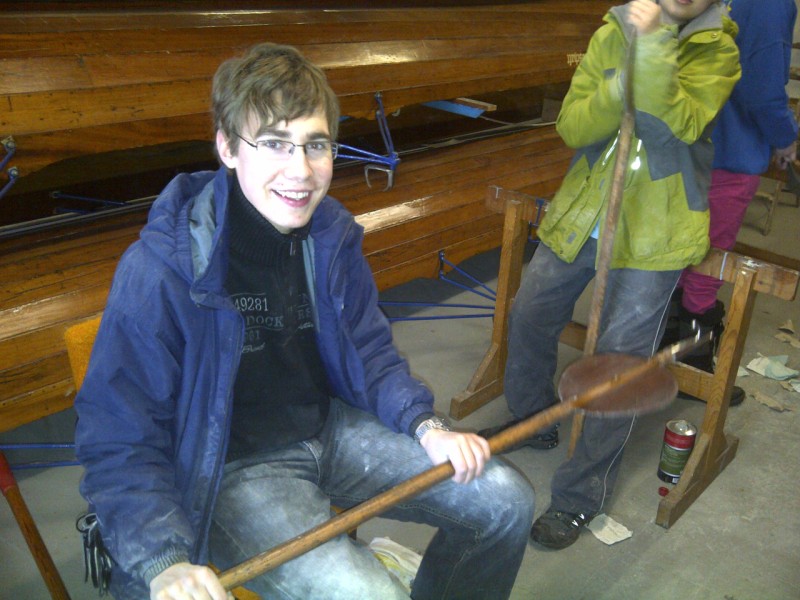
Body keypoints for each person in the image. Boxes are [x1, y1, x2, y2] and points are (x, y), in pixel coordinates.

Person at [74, 43, 534, 600]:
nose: (301, 171)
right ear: (227, 148)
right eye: (274, 143)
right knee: (369, 595)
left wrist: (425, 426)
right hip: (235, 469)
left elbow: (367, 350)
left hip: (331, 429)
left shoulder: (330, 235)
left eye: (316, 145)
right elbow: (119, 433)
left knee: (507, 503)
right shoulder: (161, 270)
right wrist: (162, 558)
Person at [479, 0, 740, 550]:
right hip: (585, 212)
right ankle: (533, 419)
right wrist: (623, 81)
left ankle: (581, 494)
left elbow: (675, 128)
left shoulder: (717, 48)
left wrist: (653, 44)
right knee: (530, 313)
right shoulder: (612, 30)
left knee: (619, 366)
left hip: (657, 230)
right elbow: (575, 126)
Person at [665, 0, 798, 405]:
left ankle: (660, 346)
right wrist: (786, 138)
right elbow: (763, 91)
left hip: (682, 141)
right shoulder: (771, 4)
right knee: (710, 257)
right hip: (728, 151)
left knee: (677, 249)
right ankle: (690, 367)